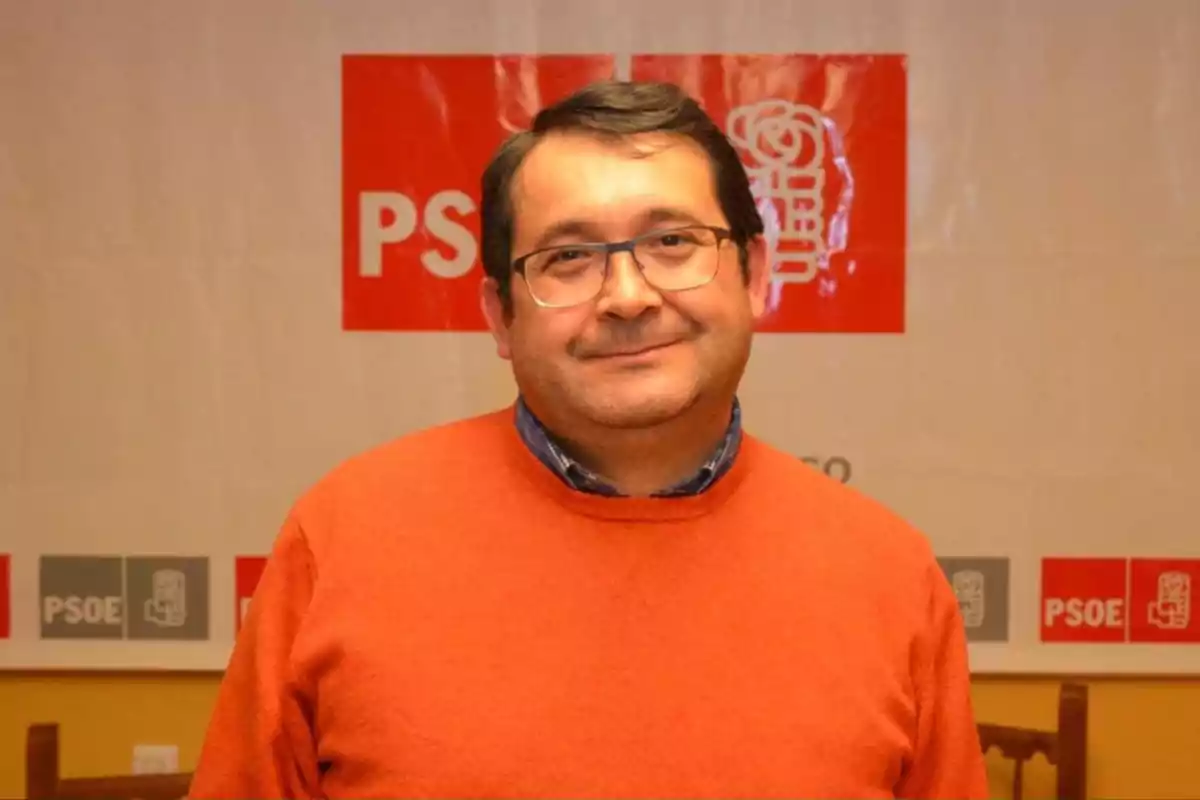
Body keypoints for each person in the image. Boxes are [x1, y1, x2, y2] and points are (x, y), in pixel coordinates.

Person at [188, 80, 989, 799]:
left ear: (754, 274)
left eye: (672, 242)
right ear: (500, 315)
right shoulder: (341, 540)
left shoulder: (888, 576)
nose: (629, 296)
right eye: (569, 258)